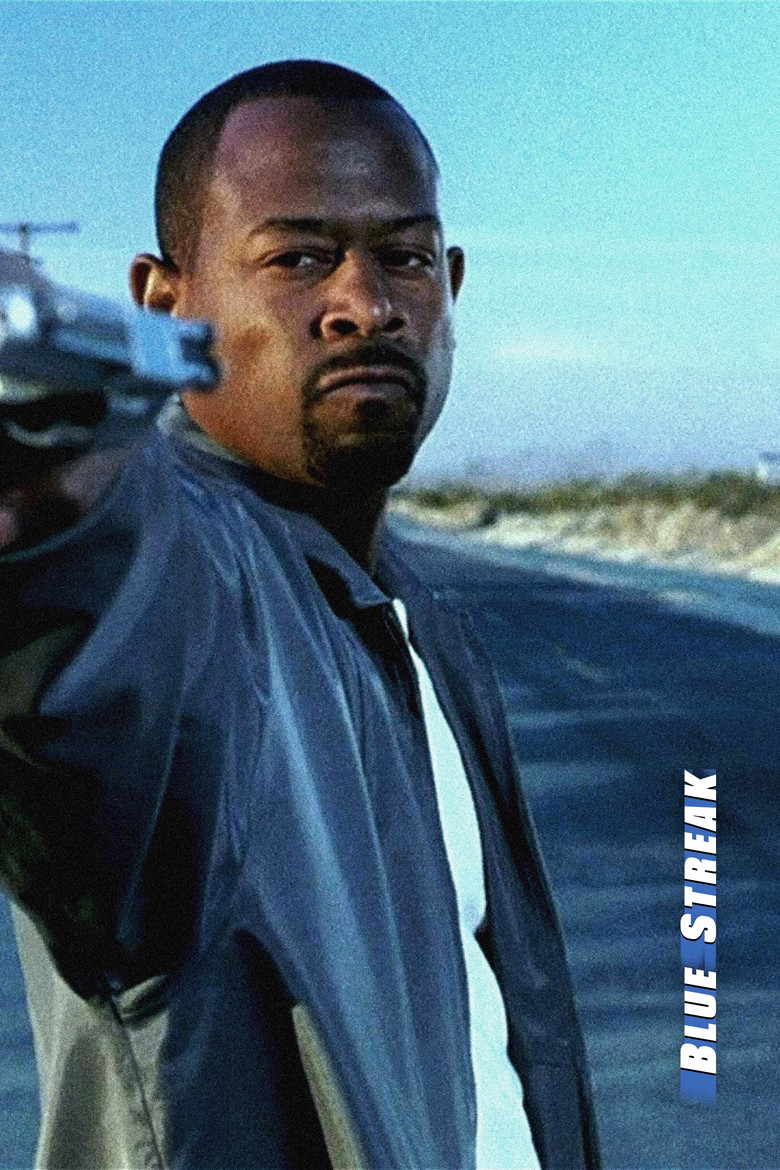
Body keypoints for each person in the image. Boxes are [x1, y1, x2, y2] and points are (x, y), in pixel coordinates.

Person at [0, 61, 600, 1169]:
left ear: (450, 284)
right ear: (164, 304)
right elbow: (96, 614)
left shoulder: (424, 620)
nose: (365, 305)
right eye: (298, 258)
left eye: (404, 257)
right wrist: (48, 493)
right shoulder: (198, 591)